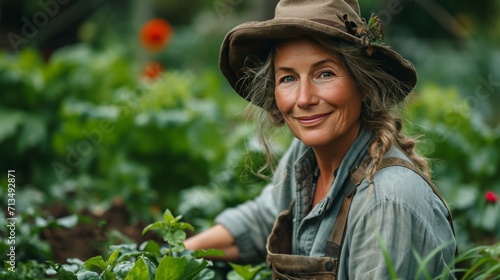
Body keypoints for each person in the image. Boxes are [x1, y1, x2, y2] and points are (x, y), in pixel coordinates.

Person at [184, 0, 458, 278]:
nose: (304, 99)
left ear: (363, 83)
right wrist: (176, 255)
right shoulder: (304, 157)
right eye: (288, 78)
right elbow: (260, 222)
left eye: (325, 74)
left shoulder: (387, 201)